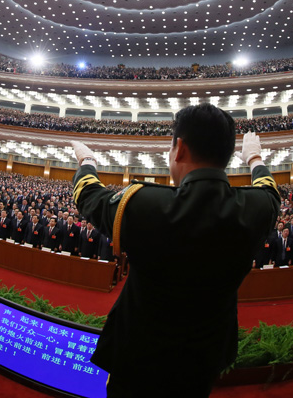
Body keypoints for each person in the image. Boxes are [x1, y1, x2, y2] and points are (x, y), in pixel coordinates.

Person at [70, 103, 280, 397]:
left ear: (179, 148)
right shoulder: (257, 209)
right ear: (230, 154)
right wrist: (255, 158)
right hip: (204, 362)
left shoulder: (143, 205)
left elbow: (88, 195)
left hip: (137, 364)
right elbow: (270, 189)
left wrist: (88, 160)